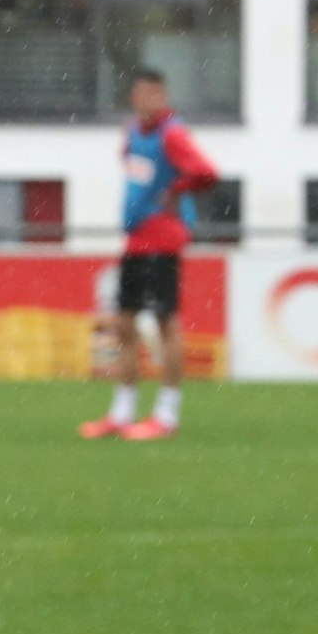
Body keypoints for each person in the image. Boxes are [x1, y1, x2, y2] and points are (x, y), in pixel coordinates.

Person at [80, 68, 219, 442]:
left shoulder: (172, 134)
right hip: (136, 239)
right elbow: (136, 169)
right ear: (134, 97)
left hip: (162, 239)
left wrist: (177, 191)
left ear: (164, 96)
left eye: (155, 94)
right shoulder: (132, 132)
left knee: (165, 323)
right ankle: (122, 413)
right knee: (124, 324)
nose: (148, 100)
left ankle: (166, 415)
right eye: (142, 94)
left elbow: (206, 172)